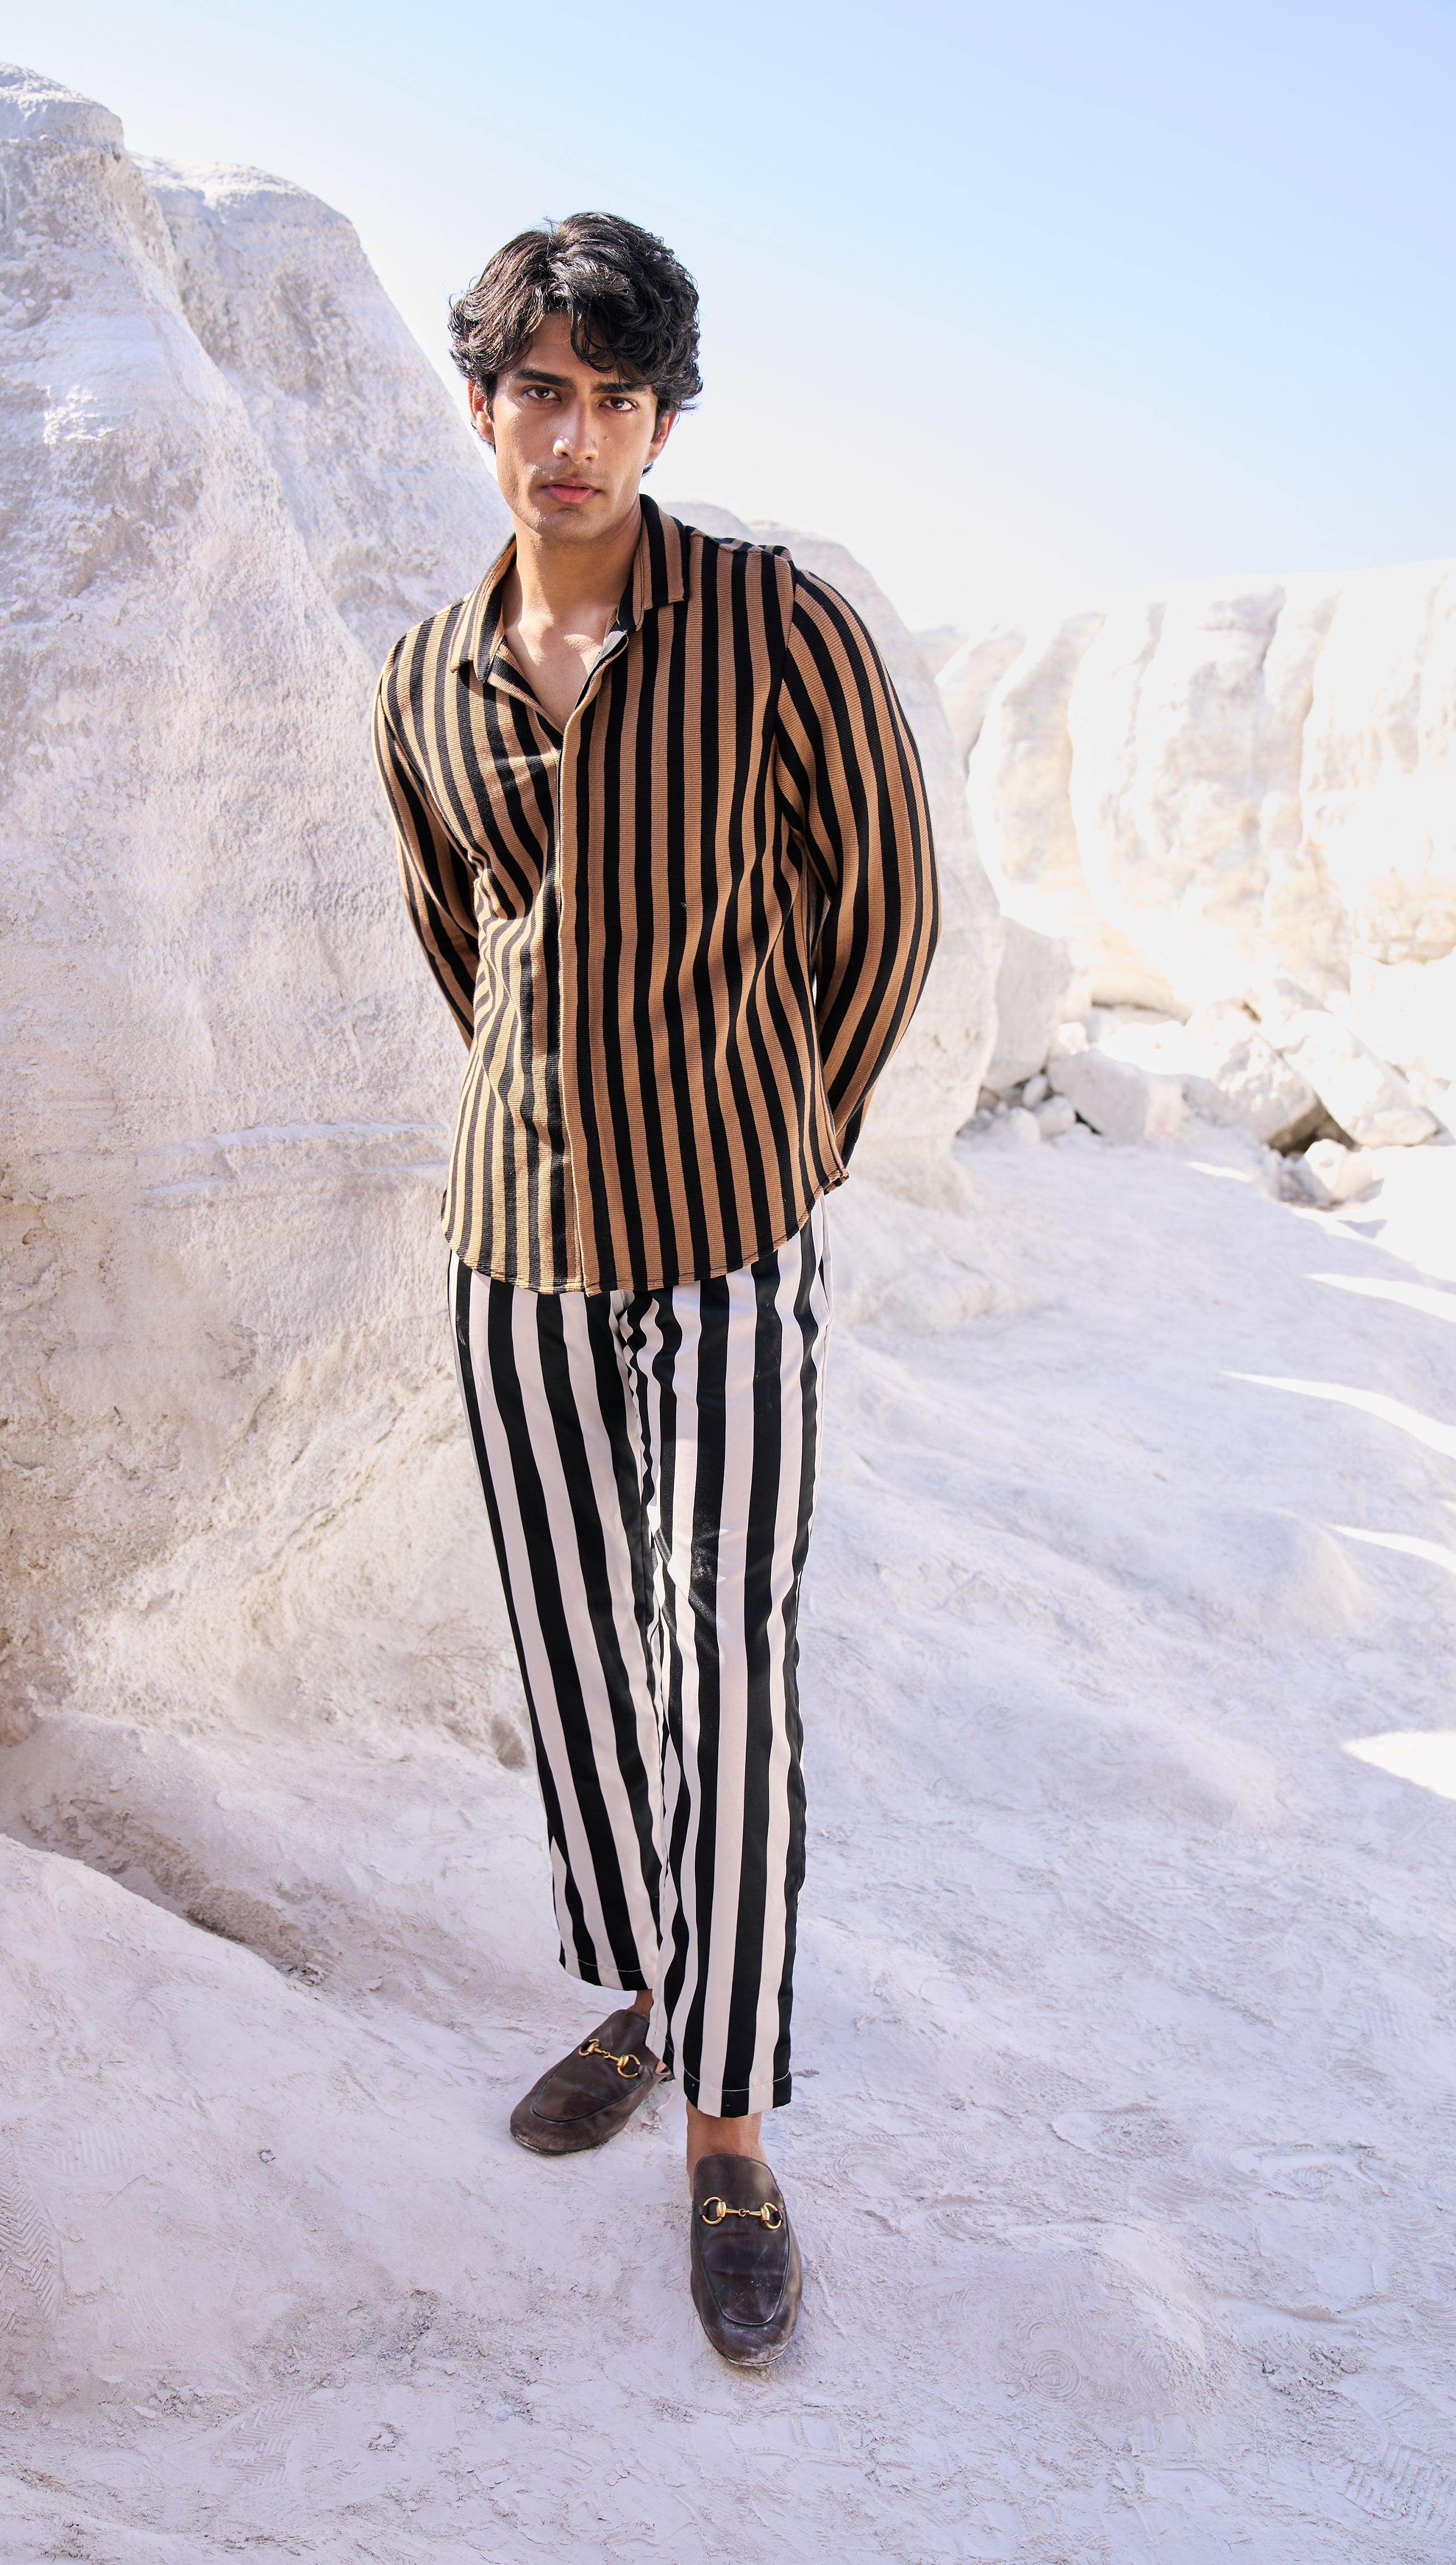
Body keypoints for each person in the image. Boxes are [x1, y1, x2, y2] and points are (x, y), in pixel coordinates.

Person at [372, 212, 938, 2367]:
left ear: (662, 425)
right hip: (512, 1245)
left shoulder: (776, 629)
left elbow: (880, 917)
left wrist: (780, 1144)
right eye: (542, 389)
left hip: (730, 1237)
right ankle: (644, 1983)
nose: (576, 434)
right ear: (484, 407)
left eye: (616, 397)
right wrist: (553, 1119)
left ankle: (726, 2123)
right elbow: (466, 949)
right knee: (581, 1654)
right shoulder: (423, 683)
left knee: (726, 1661)